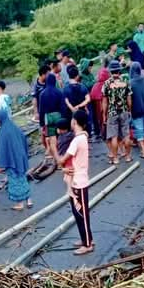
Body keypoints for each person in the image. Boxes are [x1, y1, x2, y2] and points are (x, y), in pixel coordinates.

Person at [61, 109, 94, 256]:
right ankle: (86, 238)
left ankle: (87, 244)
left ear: (74, 122)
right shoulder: (82, 138)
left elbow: (64, 159)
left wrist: (55, 154)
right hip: (79, 178)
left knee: (81, 213)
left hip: (78, 181)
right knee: (79, 212)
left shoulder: (77, 140)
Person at [0, 107, 32, 211]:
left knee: (15, 180)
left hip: (12, 160)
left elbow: (3, 149)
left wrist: (1, 164)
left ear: (1, 119)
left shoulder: (3, 131)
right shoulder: (13, 126)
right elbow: (23, 138)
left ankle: (19, 203)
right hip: (20, 157)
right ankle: (28, 199)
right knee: (22, 178)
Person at [102, 60, 131, 165]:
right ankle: (127, 156)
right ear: (119, 70)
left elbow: (105, 101)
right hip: (123, 110)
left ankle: (115, 158)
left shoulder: (106, 83)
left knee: (113, 136)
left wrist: (104, 114)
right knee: (126, 135)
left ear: (110, 71)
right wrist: (129, 110)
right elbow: (129, 99)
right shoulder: (125, 82)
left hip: (112, 112)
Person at [37, 72, 65, 166]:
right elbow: (63, 107)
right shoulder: (59, 92)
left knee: (52, 140)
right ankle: (62, 156)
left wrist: (41, 123)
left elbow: (41, 110)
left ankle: (57, 160)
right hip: (58, 116)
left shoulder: (42, 94)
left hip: (48, 118)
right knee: (61, 138)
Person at [128, 63, 144, 160]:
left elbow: (129, 99)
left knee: (139, 130)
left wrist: (129, 110)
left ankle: (143, 151)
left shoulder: (130, 83)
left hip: (137, 109)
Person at [89, 66, 109, 142]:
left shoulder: (95, 86)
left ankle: (103, 133)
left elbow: (92, 96)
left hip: (98, 107)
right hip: (107, 106)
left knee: (101, 121)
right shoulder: (109, 84)